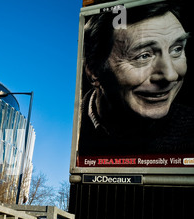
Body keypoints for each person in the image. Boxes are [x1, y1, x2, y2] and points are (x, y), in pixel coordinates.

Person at [78, 2, 194, 156]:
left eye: (177, 49)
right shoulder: (71, 133)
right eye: (143, 56)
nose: (170, 75)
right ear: (94, 71)